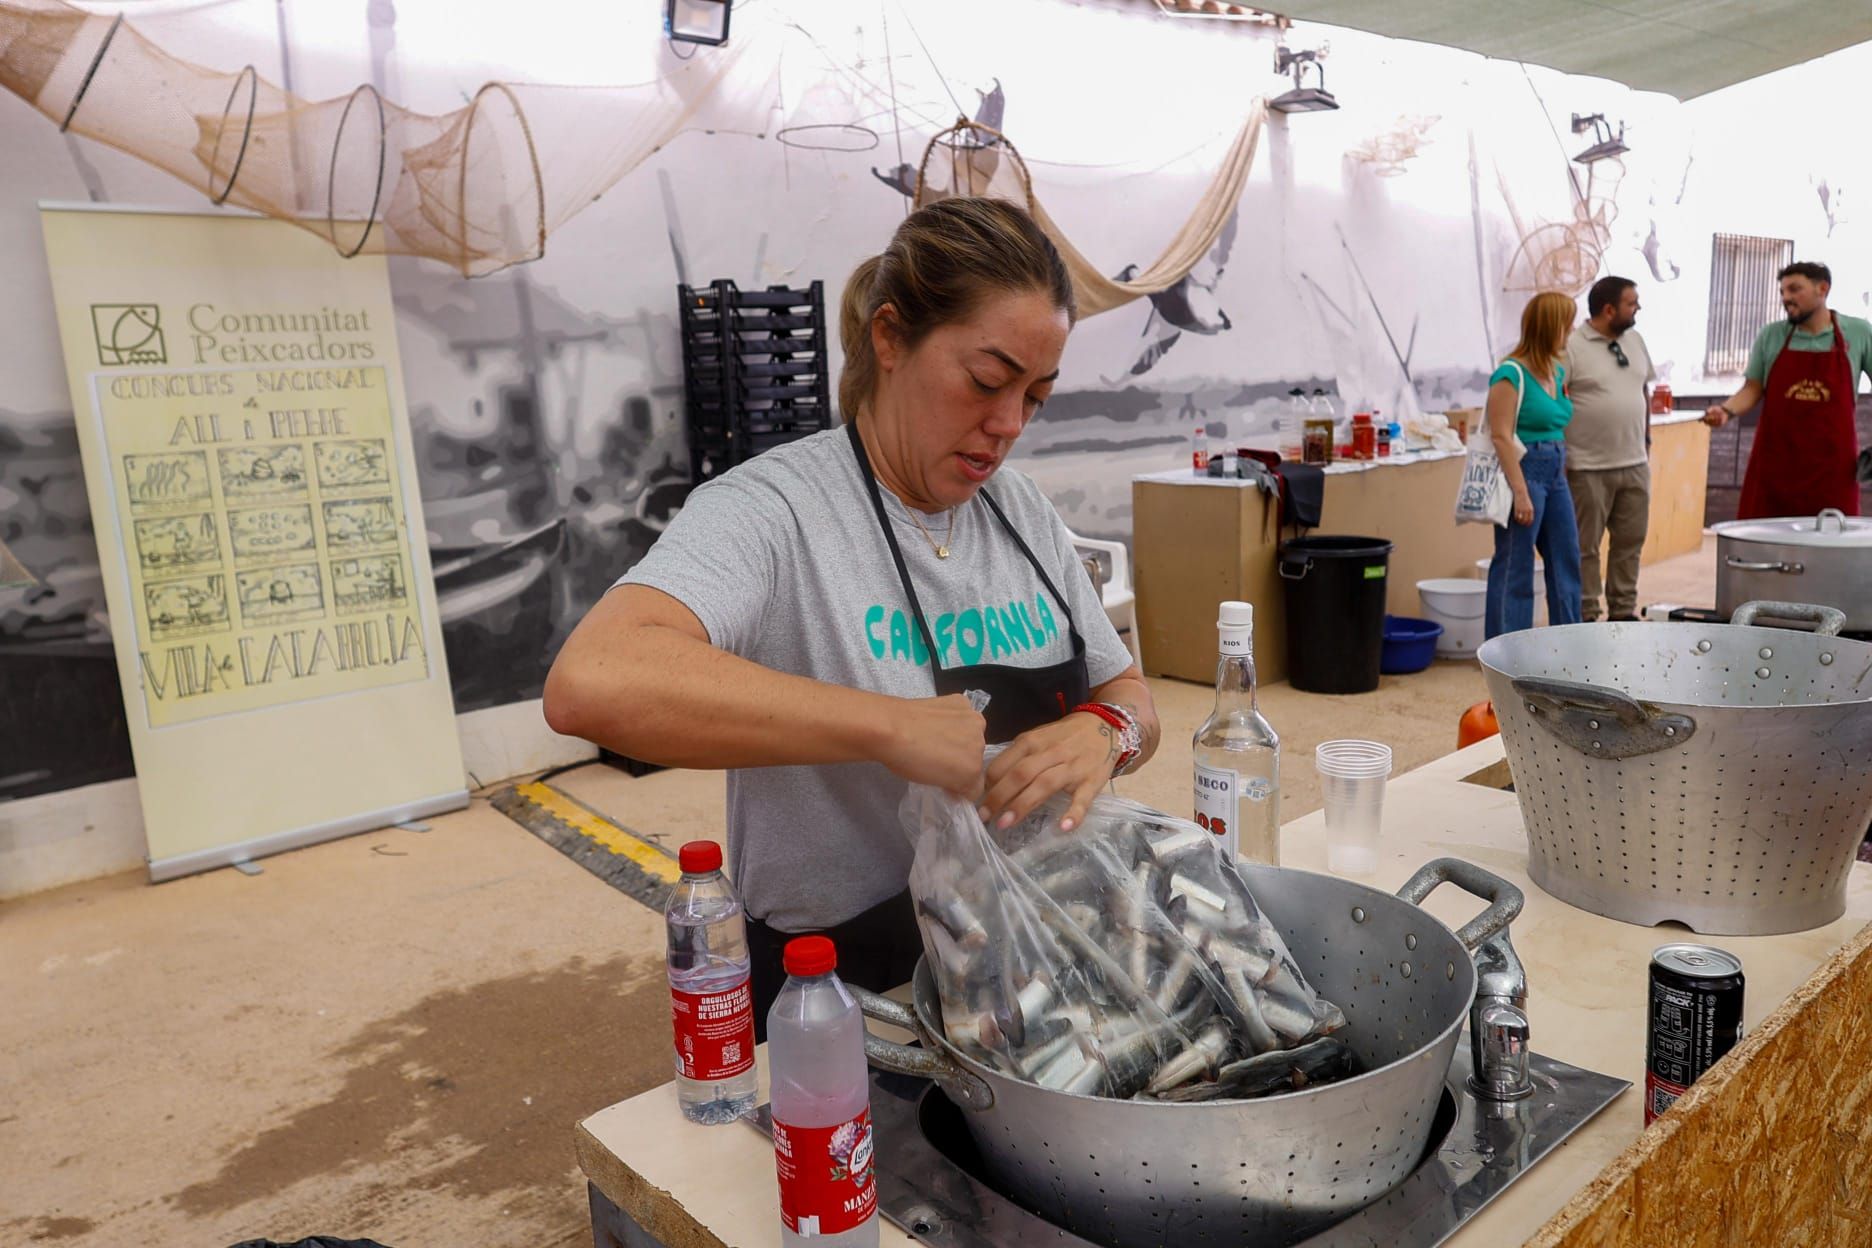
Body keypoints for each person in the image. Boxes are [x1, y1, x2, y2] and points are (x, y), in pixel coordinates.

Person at [542, 198, 1159, 1031]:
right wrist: (886, 726)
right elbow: (593, 681)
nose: (1008, 425)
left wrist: (1103, 735)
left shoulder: (1018, 510)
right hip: (845, 990)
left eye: (1036, 396)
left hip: (1035, 955)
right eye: (986, 381)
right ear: (891, 338)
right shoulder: (774, 510)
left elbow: (1129, 694)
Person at [1705, 261, 1868, 518]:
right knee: (1765, 547)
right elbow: (1752, 388)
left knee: (1830, 548)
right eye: (1782, 292)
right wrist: (1726, 410)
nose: (1786, 298)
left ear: (1822, 289)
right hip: (1775, 465)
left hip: (1833, 469)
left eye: (1794, 290)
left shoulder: (1857, 333)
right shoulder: (1771, 335)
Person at [1484, 291, 1585, 638]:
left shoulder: (1555, 373)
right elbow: (1500, 435)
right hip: (1525, 470)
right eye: (1566, 325)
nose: (1570, 332)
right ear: (1548, 327)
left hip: (1555, 471)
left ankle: (1569, 644)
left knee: (1566, 558)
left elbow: (1557, 423)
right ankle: (1506, 650)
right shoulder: (1510, 374)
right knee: (1516, 564)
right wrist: (1521, 493)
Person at [1564, 276, 1654, 621]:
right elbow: (1557, 395)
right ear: (1609, 309)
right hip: (1586, 466)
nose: (1638, 309)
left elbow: (1642, 389)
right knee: (1585, 547)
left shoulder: (1635, 340)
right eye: (1632, 303)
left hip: (1634, 462)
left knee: (1629, 543)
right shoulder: (1572, 345)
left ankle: (1623, 610)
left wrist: (1646, 441)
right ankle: (1587, 611)